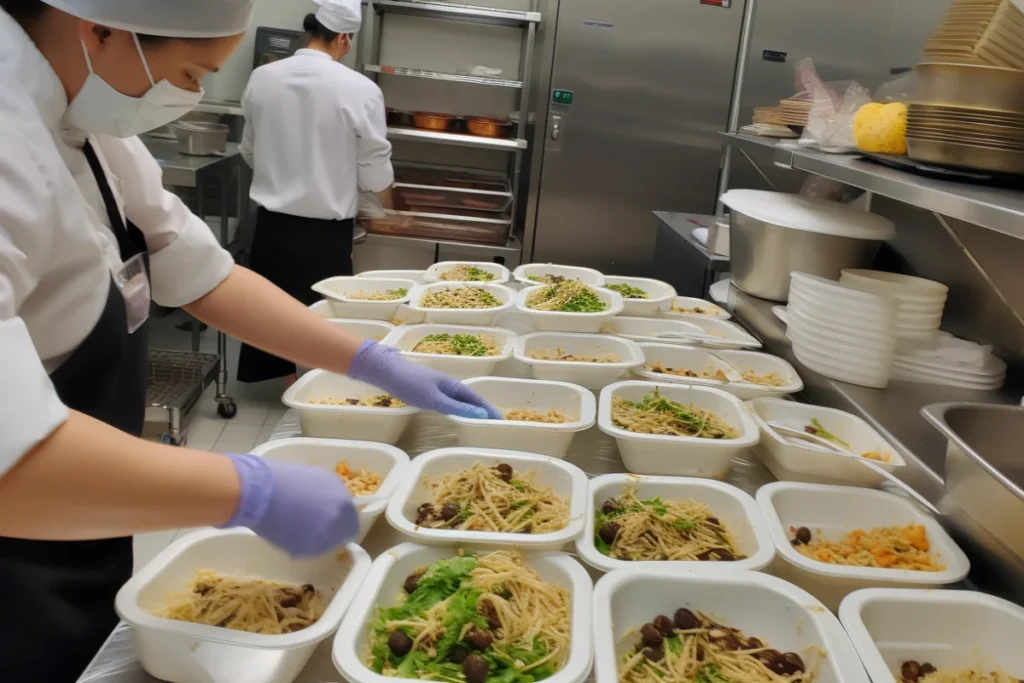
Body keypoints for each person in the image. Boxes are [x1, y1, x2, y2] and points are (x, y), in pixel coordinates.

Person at [0, 1, 500, 681]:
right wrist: (246, 489)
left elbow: (200, 271)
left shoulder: (86, 120)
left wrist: (365, 358)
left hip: (78, 523)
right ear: (101, 30)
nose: (196, 92)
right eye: (190, 70)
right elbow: (11, 455)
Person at [237, 0, 394, 385]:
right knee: (321, 320)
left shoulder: (263, 77)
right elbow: (373, 168)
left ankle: (290, 385)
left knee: (273, 313)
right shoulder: (361, 89)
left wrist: (285, 176)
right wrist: (389, 211)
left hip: (272, 226)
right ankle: (313, 391)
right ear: (343, 37)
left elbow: (249, 149)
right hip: (326, 233)